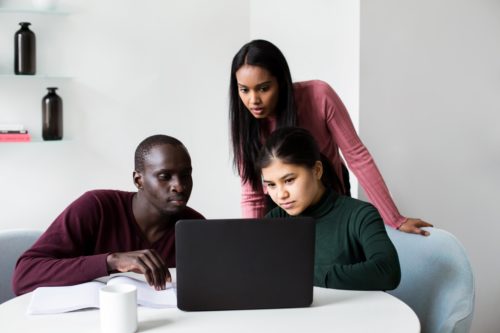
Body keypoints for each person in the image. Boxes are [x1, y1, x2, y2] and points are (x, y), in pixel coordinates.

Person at [229, 39, 433, 235]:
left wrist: (394, 219)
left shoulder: (319, 96)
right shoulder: (245, 123)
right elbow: (253, 194)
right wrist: (251, 241)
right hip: (280, 204)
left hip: (330, 193)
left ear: (281, 82)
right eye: (244, 90)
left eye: (264, 88)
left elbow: (357, 156)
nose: (253, 100)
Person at [12, 134, 204, 296]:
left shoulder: (195, 226)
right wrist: (112, 261)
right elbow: (24, 277)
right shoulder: (96, 207)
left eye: (186, 175)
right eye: (165, 176)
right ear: (138, 180)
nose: (179, 186)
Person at [258, 127, 400, 290]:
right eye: (271, 185)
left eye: (289, 180)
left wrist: (303, 275)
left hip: (354, 314)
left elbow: (387, 271)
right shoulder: (274, 221)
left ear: (317, 171)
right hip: (296, 314)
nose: (281, 194)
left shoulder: (359, 215)